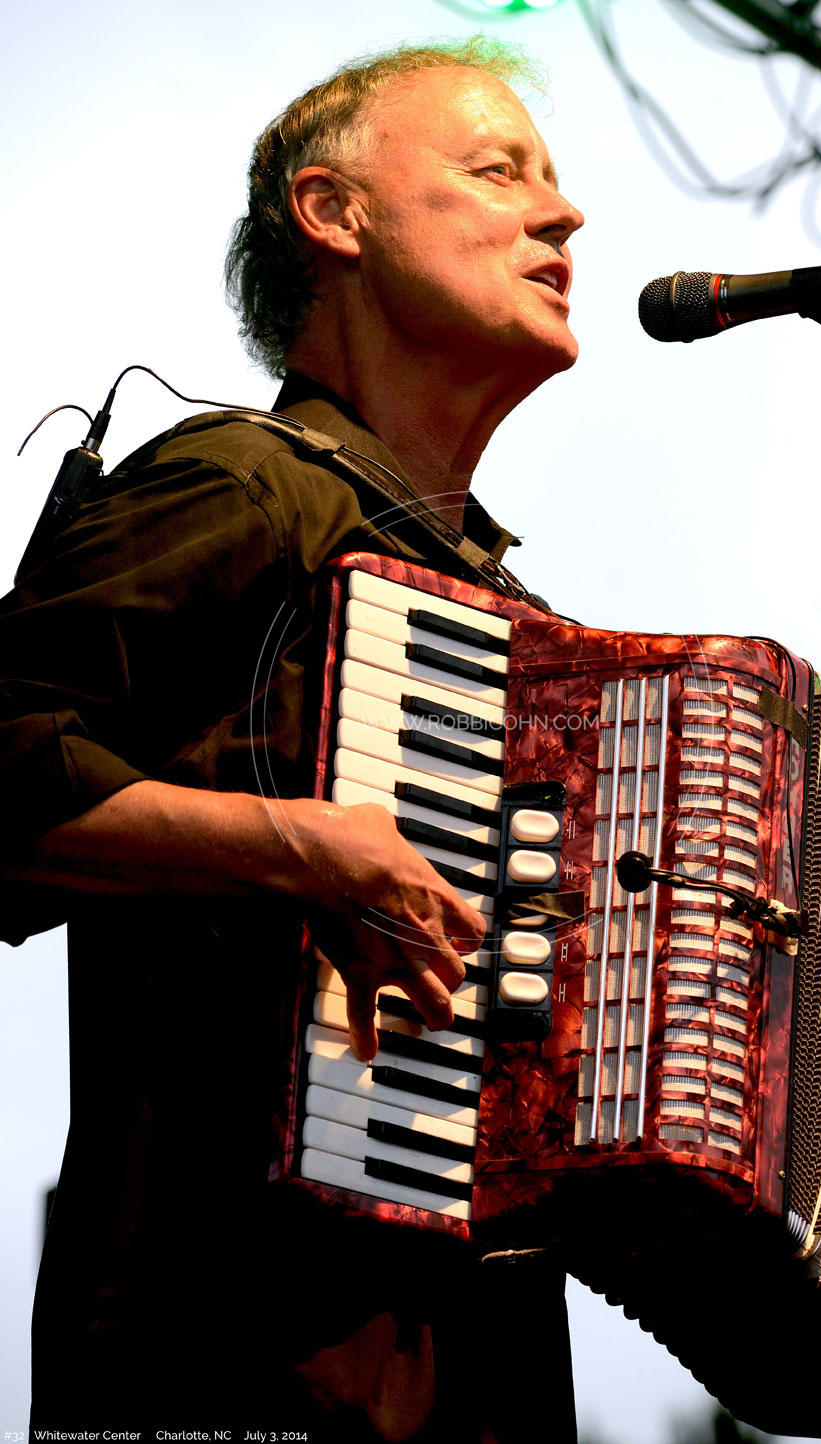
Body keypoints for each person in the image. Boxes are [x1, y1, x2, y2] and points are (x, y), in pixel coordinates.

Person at [0, 36, 584, 1441]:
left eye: (552, 183)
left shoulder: (511, 618)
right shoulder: (242, 486)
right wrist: (298, 848)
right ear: (333, 214)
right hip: (223, 1341)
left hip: (474, 1371)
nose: (562, 214)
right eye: (497, 170)